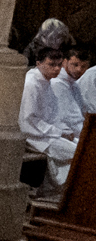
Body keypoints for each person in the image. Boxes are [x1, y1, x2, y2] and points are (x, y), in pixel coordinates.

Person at [21, 42, 84, 190]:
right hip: (35, 136)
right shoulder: (31, 84)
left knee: (80, 145)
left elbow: (53, 114)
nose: (56, 69)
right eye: (51, 65)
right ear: (39, 64)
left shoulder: (47, 81)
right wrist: (58, 132)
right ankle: (61, 188)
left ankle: (56, 188)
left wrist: (64, 131)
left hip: (48, 133)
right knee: (79, 153)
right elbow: (28, 120)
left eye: (59, 65)